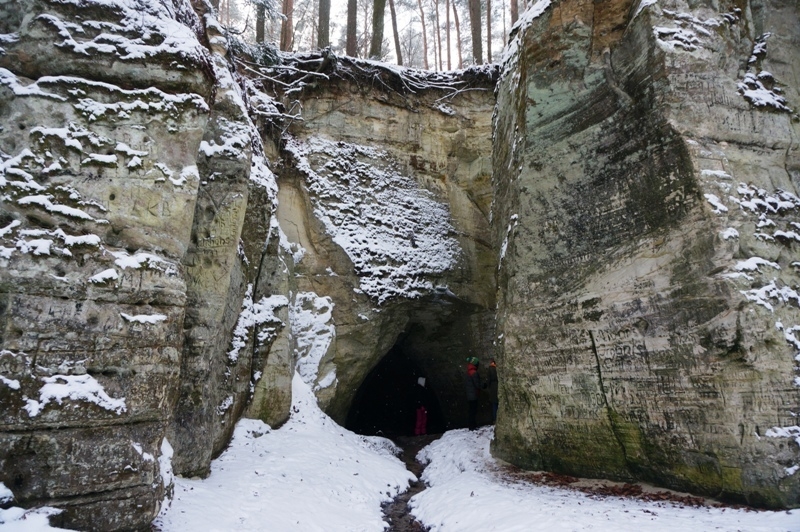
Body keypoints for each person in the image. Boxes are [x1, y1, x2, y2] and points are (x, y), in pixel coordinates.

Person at [464, 357, 482, 431]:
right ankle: (472, 426)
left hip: (469, 394)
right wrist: (483, 385)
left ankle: (472, 425)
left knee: (471, 410)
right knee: (473, 410)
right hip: (473, 394)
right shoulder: (474, 372)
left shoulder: (468, 371)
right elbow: (477, 384)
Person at [487, 359, 499, 423]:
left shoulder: (490, 369)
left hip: (492, 388)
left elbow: (488, 380)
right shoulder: (498, 368)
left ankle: (495, 419)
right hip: (498, 386)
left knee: (494, 405)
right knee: (499, 403)